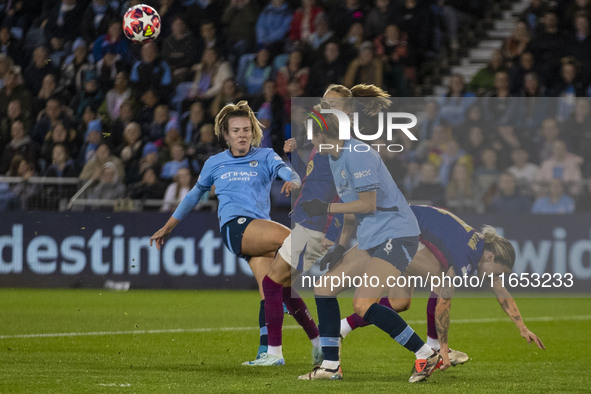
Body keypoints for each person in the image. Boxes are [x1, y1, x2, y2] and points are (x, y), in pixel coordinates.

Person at [150, 101, 316, 363]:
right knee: (297, 240)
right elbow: (194, 196)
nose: (242, 135)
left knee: (272, 290)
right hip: (235, 228)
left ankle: (277, 351)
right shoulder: (215, 163)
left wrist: (293, 179)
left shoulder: (265, 156)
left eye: (247, 130)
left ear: (253, 132)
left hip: (258, 234)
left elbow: (284, 169)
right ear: (226, 135)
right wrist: (167, 227)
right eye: (236, 130)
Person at [296, 95, 441, 382]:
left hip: (397, 234)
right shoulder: (336, 157)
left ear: (325, 134)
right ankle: (330, 366)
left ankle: (426, 353)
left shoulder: (357, 153)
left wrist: (326, 208)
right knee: (324, 288)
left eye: (313, 134)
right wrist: (340, 246)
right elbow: (352, 211)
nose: (310, 140)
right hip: (372, 236)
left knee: (363, 304)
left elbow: (367, 204)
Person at [338, 205, 546, 370]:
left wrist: (523, 327)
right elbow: (442, 305)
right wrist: (444, 349)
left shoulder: (478, 249)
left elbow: (501, 292)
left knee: (399, 303)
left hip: (401, 228)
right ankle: (434, 348)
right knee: (440, 282)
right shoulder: (466, 256)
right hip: (395, 231)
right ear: (490, 257)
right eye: (499, 272)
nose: (497, 278)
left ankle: (341, 328)